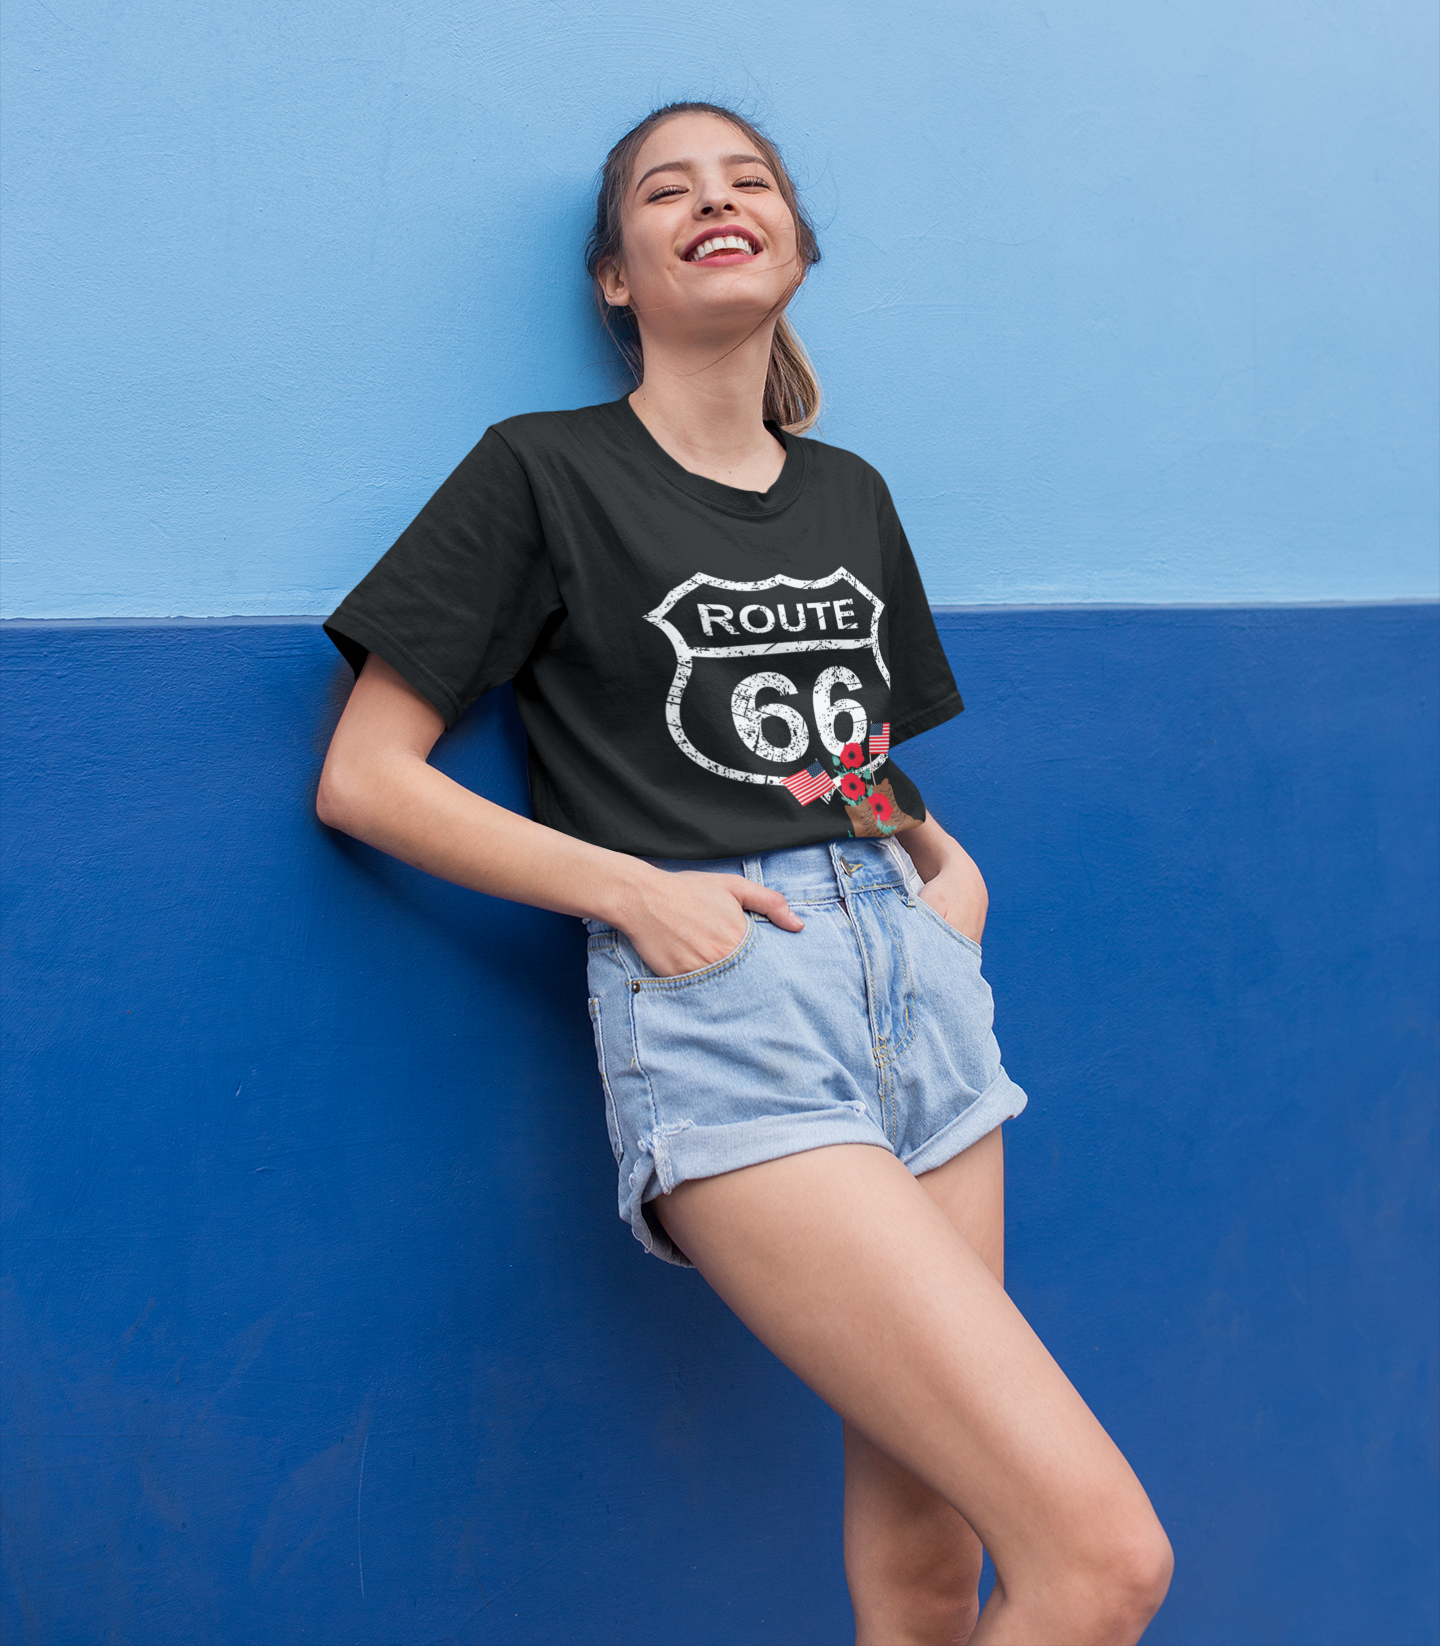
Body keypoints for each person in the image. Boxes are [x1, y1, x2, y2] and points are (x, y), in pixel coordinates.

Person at [316, 102, 1173, 1645]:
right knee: (1105, 1563)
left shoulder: (850, 493)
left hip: (920, 995)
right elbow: (364, 779)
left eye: (749, 181)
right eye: (668, 190)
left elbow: (850, 754)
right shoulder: (543, 473)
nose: (716, 201)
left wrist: (939, 869)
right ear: (616, 279)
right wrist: (635, 892)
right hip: (735, 1008)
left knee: (931, 1562)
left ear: (797, 245)